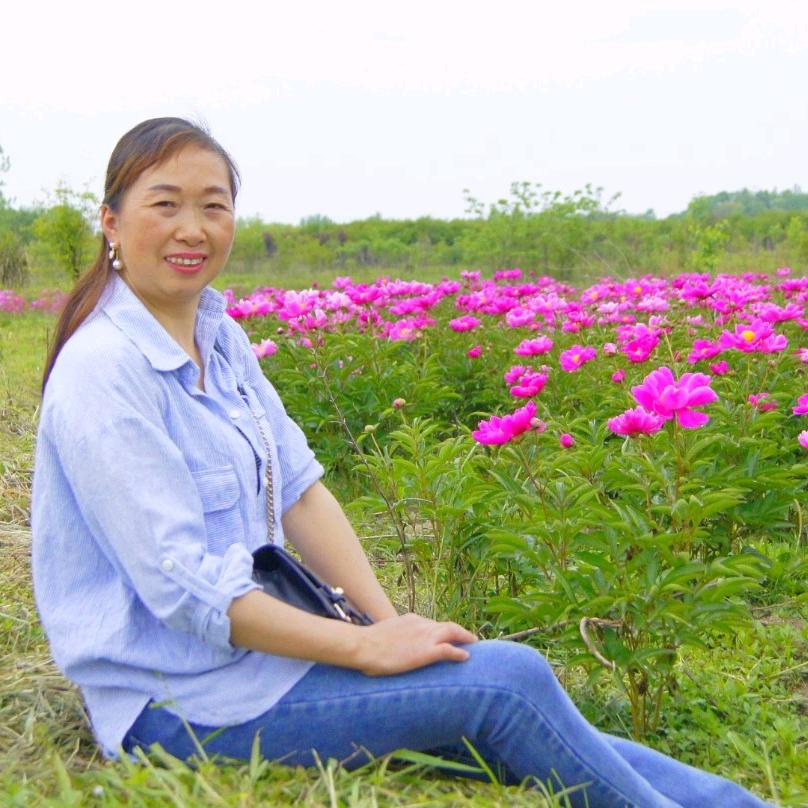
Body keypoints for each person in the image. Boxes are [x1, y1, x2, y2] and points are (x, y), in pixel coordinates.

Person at [31, 117, 770, 808]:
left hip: (266, 669)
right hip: (183, 706)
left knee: (503, 699)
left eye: (213, 206)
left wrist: (395, 630)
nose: (192, 229)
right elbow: (185, 591)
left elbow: (300, 492)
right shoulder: (105, 370)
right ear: (111, 221)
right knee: (509, 683)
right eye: (165, 204)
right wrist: (363, 647)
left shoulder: (218, 337)